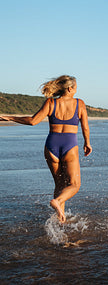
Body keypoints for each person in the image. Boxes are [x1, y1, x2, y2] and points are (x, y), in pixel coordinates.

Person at [1, 75, 92, 223]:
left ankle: (60, 218)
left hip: (51, 145)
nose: (76, 90)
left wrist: (10, 118)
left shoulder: (50, 102)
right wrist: (87, 143)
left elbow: (32, 121)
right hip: (69, 145)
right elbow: (85, 127)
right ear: (70, 88)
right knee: (74, 185)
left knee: (59, 184)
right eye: (75, 87)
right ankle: (57, 202)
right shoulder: (79, 103)